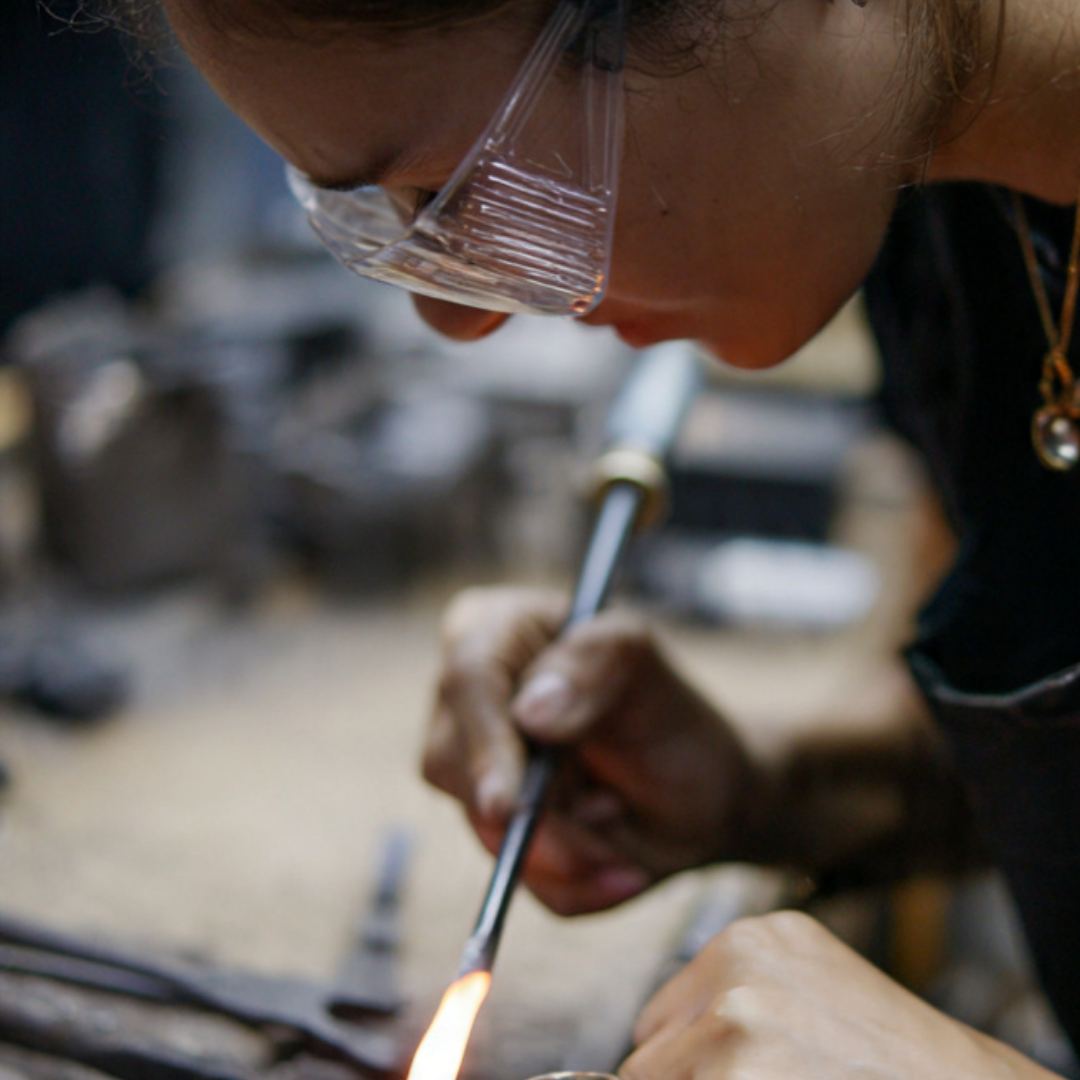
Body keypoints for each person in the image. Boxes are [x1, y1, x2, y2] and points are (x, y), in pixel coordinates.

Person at [95, 0, 1080, 1076]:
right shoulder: (935, 202)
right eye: (379, 221)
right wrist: (780, 785)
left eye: (467, 188)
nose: (460, 318)